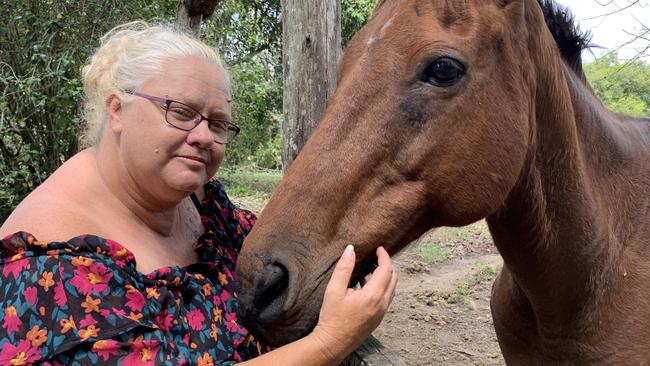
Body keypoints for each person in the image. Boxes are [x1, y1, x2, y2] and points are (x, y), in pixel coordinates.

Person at [0, 22, 397, 365]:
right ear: (117, 109)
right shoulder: (50, 268)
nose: (204, 136)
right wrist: (329, 342)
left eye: (219, 123)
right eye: (181, 112)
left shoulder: (201, 204)